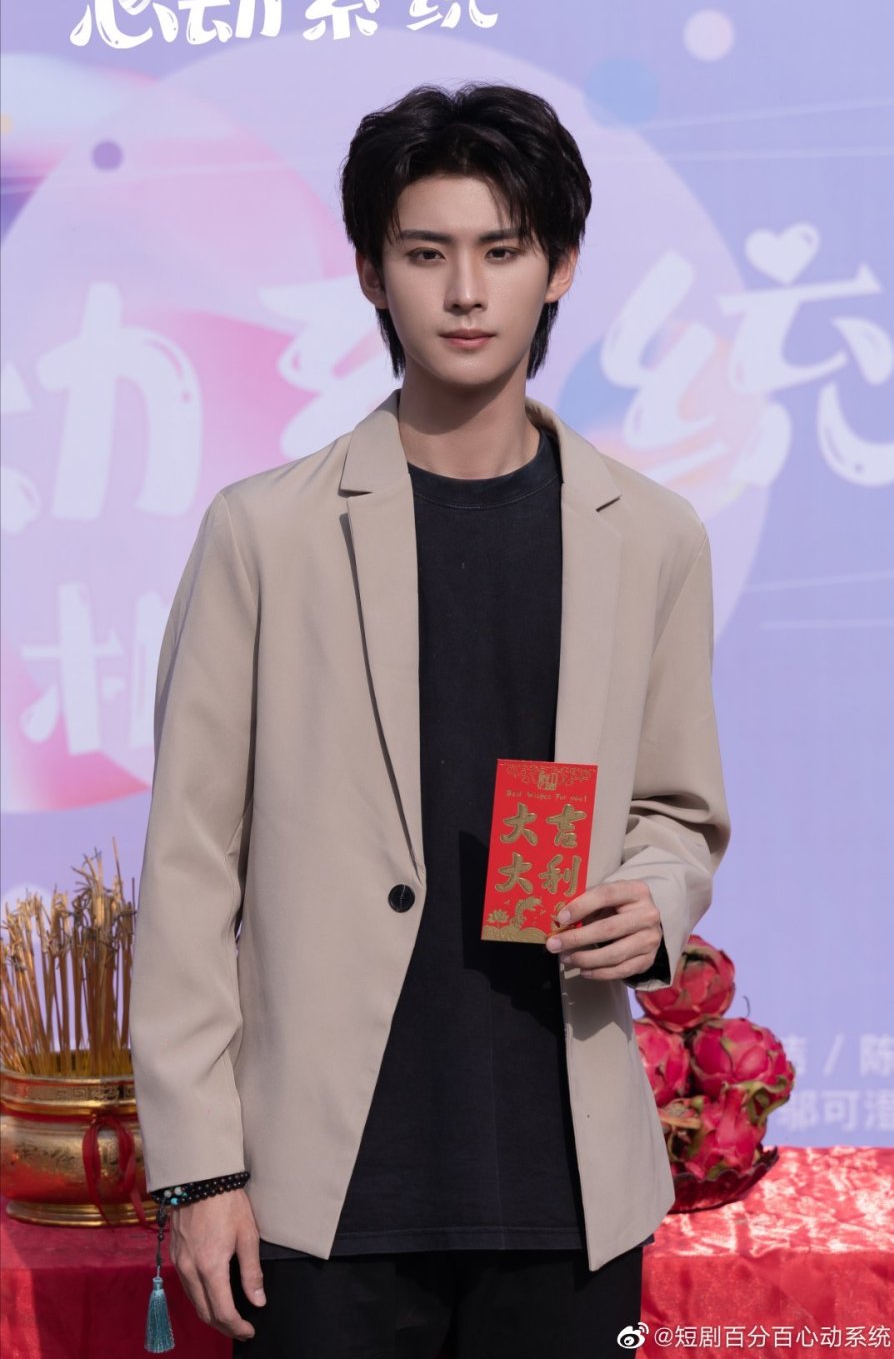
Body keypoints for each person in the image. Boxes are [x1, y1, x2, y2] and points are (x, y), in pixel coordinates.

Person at [130, 82, 731, 1359]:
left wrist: (656, 899)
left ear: (560, 267)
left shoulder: (652, 537)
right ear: (370, 271)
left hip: (568, 1192)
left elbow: (679, 813)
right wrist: (197, 1170)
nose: (466, 292)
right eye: (426, 253)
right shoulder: (267, 534)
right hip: (322, 1193)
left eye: (502, 251)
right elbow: (187, 869)